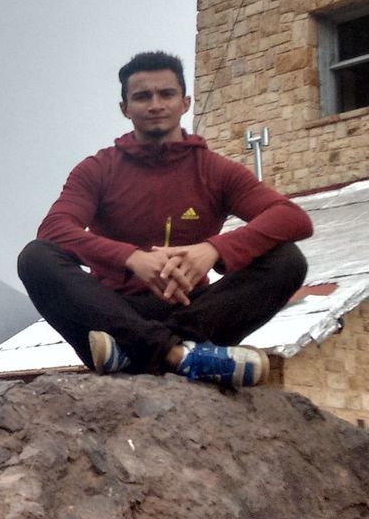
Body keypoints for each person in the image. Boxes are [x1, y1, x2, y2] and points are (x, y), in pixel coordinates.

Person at [17, 51, 312, 388]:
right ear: (124, 108)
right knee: (35, 258)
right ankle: (179, 357)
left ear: (185, 102)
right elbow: (55, 230)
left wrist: (213, 250)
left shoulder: (215, 171)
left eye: (166, 94)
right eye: (142, 96)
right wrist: (131, 259)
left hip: (193, 316)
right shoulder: (98, 169)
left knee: (287, 259)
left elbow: (293, 218)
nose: (155, 104)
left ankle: (143, 351)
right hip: (112, 316)